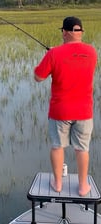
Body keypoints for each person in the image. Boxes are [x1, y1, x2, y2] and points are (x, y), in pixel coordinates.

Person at [34, 16, 97, 196]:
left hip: (60, 111)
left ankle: (58, 183)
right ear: (80, 32)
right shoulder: (92, 52)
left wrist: (51, 55)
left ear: (64, 32)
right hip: (84, 111)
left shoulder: (54, 54)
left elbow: (38, 77)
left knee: (57, 146)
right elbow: (77, 62)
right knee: (82, 149)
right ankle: (83, 186)